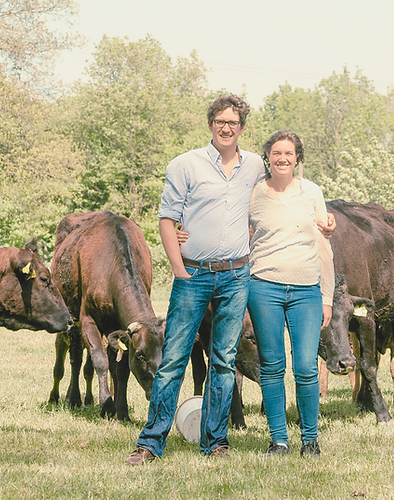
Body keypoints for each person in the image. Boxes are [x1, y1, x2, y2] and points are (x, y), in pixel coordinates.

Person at [125, 94, 268, 464]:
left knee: (223, 360)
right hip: (193, 275)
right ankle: (151, 442)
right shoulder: (185, 164)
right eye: (220, 121)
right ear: (210, 124)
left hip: (236, 275)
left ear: (242, 128)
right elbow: (167, 218)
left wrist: (323, 221)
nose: (226, 128)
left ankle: (215, 441)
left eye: (233, 123)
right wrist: (178, 268)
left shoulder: (254, 165)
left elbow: (276, 200)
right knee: (173, 359)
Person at [246, 130, 334, 458]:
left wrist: (326, 296)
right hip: (264, 286)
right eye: (276, 153)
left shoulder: (312, 193)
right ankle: (279, 439)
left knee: (307, 366)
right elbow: (240, 235)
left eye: (289, 153)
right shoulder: (254, 193)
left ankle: (310, 438)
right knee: (271, 365)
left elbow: (324, 246)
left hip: (307, 291)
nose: (282, 158)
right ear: (267, 157)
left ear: (298, 157)